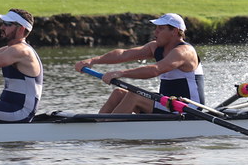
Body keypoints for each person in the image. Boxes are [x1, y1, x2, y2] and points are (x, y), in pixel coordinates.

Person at [74, 13, 204, 113]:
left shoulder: (184, 51)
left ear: (175, 31)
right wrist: (93, 60)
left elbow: (155, 70)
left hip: (188, 107)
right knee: (118, 93)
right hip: (167, 102)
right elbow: (123, 54)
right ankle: (98, 126)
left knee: (134, 96)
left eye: (161, 28)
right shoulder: (155, 47)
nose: (155, 32)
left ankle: (107, 134)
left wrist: (120, 73)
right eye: (156, 28)